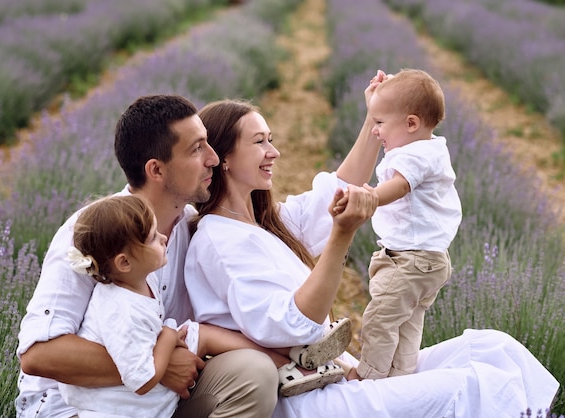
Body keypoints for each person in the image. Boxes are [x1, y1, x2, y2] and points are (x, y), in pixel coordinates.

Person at [183, 82, 559, 416]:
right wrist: (341, 236)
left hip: (335, 374)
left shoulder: (266, 222)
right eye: (260, 141)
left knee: (494, 348)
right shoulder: (220, 239)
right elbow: (289, 325)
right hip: (306, 398)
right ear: (224, 158)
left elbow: (338, 188)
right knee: (468, 386)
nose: (275, 151)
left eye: (271, 139)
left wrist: (373, 121)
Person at [15, 93, 368, 417]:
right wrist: (161, 364)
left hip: (157, 401)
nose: (213, 159)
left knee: (252, 374)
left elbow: (305, 215)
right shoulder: (93, 232)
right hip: (80, 408)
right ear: (156, 170)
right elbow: (38, 355)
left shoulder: (194, 226)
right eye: (198, 149)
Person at [57, 194, 347, 416]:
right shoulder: (120, 308)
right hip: (127, 408)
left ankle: (292, 357)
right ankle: (292, 359)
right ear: (124, 262)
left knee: (200, 333)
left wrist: (171, 337)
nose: (162, 238)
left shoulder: (142, 284)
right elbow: (140, 378)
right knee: (193, 334)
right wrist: (168, 339)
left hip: (152, 397)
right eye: (151, 238)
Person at [355, 68, 462, 380]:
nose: (375, 131)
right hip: (428, 261)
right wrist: (376, 104)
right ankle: (400, 378)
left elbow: (400, 186)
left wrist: (370, 197)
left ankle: (369, 377)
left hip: (411, 261)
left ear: (411, 123)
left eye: (379, 123)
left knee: (380, 319)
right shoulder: (428, 148)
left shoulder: (414, 155)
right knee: (407, 323)